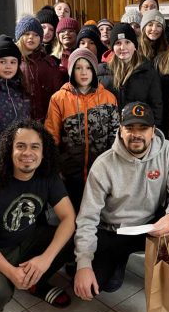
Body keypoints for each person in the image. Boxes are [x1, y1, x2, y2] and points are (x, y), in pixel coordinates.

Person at [73, 101, 169, 312]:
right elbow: (87, 218)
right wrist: (83, 264)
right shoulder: (103, 165)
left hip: (151, 225)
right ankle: (117, 260)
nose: (136, 135)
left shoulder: (167, 151)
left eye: (142, 128)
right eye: (130, 128)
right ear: (120, 130)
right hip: (114, 230)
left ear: (153, 131)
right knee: (97, 285)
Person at [0, 119, 76, 312]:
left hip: (30, 241)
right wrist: (11, 272)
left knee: (76, 239)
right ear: (10, 151)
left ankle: (36, 281)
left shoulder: (48, 177)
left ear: (43, 153)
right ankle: (15, 279)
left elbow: (68, 217)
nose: (28, 153)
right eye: (20, 146)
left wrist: (45, 259)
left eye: (35, 147)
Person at [44, 48, 119, 212]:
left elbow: (115, 137)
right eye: (78, 68)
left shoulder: (108, 98)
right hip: (70, 173)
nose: (84, 72)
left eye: (88, 67)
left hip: (101, 173)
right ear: (71, 71)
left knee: (98, 217)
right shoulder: (59, 99)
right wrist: (57, 169)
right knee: (73, 216)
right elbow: (51, 138)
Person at [15, 15, 63, 122]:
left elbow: (57, 97)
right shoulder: (14, 63)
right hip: (20, 122)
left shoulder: (49, 64)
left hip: (46, 121)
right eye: (27, 34)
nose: (31, 37)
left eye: (36, 35)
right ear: (19, 36)